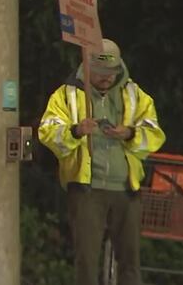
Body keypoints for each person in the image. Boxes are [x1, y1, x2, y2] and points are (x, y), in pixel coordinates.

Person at [39, 38, 166, 285]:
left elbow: (154, 132)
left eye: (112, 72)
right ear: (87, 67)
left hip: (126, 189)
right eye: (101, 72)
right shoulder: (67, 94)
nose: (107, 78)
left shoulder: (134, 94)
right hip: (87, 188)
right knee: (86, 260)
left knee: (130, 261)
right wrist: (76, 130)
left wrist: (129, 133)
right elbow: (47, 132)